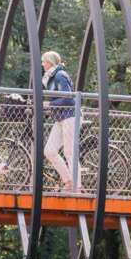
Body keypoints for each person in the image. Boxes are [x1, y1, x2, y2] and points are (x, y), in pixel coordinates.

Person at [42, 51, 81, 190]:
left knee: (69, 152)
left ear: (50, 62)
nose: (42, 64)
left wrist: (49, 105)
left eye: (44, 61)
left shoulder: (60, 75)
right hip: (60, 118)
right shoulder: (51, 78)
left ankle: (76, 186)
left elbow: (68, 97)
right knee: (49, 151)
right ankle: (68, 181)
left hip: (70, 116)